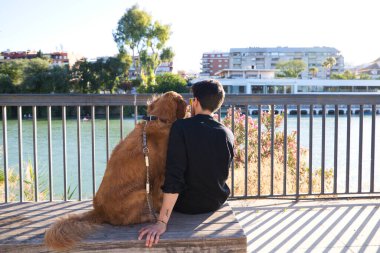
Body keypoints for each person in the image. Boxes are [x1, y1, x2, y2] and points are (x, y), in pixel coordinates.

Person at [138, 79, 234, 247]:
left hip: (187, 205)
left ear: (195, 101)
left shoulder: (181, 127)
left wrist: (161, 222)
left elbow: (174, 176)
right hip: (215, 202)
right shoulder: (227, 133)